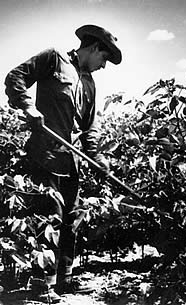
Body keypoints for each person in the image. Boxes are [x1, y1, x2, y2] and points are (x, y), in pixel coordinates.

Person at [4, 24, 122, 302]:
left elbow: (90, 127)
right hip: (44, 156)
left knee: (73, 218)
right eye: (104, 59)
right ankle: (41, 286)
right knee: (49, 217)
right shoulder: (54, 59)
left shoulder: (90, 83)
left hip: (71, 162)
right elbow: (16, 76)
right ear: (94, 48)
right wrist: (28, 107)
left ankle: (64, 281)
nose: (104, 66)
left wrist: (98, 158)